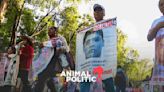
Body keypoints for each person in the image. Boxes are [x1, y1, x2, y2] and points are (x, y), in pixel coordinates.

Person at [80, 4, 116, 92]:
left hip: (104, 60)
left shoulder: (109, 26)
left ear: (104, 13)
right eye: (95, 11)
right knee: (85, 80)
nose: (97, 12)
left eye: (100, 10)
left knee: (108, 80)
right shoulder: (90, 28)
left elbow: (112, 40)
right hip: (90, 61)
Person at [34, 26, 70, 92]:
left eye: (51, 29)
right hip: (45, 63)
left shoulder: (60, 38)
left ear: (56, 31)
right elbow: (42, 53)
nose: (49, 31)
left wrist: (60, 49)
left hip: (55, 62)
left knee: (44, 79)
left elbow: (66, 48)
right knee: (44, 79)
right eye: (48, 30)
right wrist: (41, 47)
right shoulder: (47, 41)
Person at [147, 0, 164, 91]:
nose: (163, 6)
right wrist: (158, 26)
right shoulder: (156, 22)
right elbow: (149, 38)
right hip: (161, 62)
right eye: (161, 5)